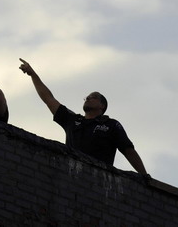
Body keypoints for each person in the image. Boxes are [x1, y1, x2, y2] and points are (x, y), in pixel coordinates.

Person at [19, 58, 147, 174]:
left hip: (98, 179)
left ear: (102, 106)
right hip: (70, 175)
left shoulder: (111, 125)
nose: (88, 98)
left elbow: (128, 150)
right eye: (87, 97)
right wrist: (33, 74)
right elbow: (49, 98)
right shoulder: (73, 120)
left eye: (93, 97)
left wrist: (145, 177)